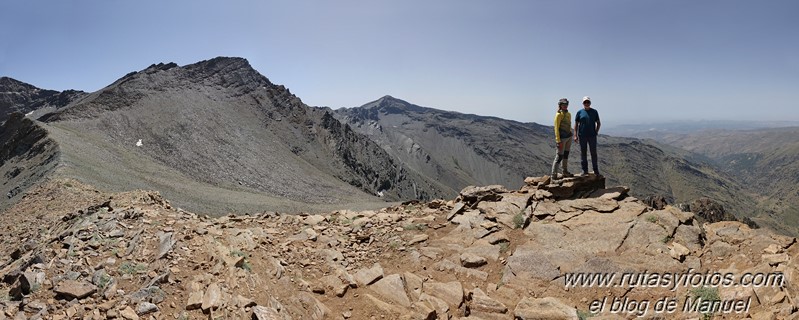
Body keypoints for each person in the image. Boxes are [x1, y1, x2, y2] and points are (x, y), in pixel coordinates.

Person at [574, 96, 601, 176]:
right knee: (583, 153)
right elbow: (576, 124)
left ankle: (595, 170)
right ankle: (584, 170)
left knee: (593, 153)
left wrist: (596, 132)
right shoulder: (579, 112)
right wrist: (575, 135)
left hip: (592, 136)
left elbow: (598, 123)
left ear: (590, 103)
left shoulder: (594, 112)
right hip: (582, 135)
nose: (586, 103)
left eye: (588, 102)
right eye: (585, 102)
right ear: (583, 103)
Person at [551, 98, 573, 180]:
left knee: (566, 155)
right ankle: (553, 176)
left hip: (568, 137)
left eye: (566, 104)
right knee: (559, 156)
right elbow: (556, 128)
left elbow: (569, 124)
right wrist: (558, 140)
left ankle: (565, 172)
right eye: (563, 104)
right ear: (560, 105)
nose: (565, 106)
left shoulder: (568, 114)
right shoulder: (558, 115)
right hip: (562, 139)